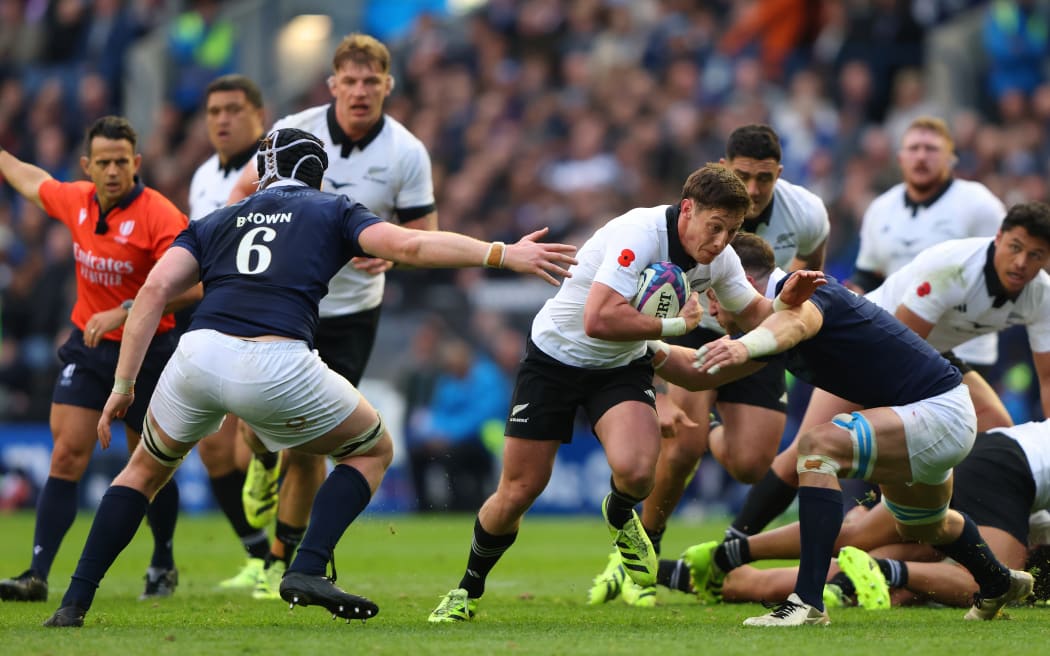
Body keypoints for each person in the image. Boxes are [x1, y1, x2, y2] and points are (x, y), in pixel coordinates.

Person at [41, 127, 578, 628]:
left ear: (264, 171)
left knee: (141, 472)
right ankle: (308, 565)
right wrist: (502, 253)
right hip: (275, 361)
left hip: (197, 357)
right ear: (317, 174)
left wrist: (123, 386)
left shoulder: (217, 220)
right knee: (372, 450)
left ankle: (74, 602)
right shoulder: (332, 208)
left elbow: (154, 292)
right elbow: (412, 246)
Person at [426, 163, 825, 623]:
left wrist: (788, 310)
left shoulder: (721, 257)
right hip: (554, 358)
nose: (721, 241)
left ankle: (618, 514)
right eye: (715, 227)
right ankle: (467, 588)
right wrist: (676, 327)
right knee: (519, 490)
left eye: (732, 231)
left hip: (621, 364)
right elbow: (598, 319)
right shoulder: (640, 233)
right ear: (688, 210)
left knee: (638, 474)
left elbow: (755, 313)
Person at [651, 233, 1032, 625]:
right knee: (923, 523)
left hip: (938, 411)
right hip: (930, 417)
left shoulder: (806, 294)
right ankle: (997, 580)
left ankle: (807, 602)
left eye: (714, 295)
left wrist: (744, 346)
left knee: (817, 446)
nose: (711, 307)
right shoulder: (766, 327)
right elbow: (699, 373)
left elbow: (795, 323)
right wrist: (645, 343)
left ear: (744, 284)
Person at [691, 201, 1050, 563]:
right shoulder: (953, 268)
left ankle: (1003, 533)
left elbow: (1047, 380)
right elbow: (898, 356)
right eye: (1015, 247)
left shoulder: (1042, 294)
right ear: (998, 238)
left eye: (1035, 255)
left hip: (934, 360)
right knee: (805, 451)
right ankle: (733, 544)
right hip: (870, 349)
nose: (1021, 262)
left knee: (998, 427)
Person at [718, 114, 1009, 551]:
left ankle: (985, 538)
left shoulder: (979, 204)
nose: (922, 157)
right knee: (814, 448)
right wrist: (841, 313)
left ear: (952, 157)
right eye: (913, 148)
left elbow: (1002, 262)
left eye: (932, 149)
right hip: (887, 337)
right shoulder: (882, 209)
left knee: (992, 438)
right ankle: (738, 541)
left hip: (948, 354)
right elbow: (864, 279)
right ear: (900, 157)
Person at [228, 32, 440, 600]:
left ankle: (279, 562)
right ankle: (261, 460)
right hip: (283, 301)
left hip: (350, 313)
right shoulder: (293, 130)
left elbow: (425, 235)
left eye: (371, 81)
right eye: (350, 80)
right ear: (332, 85)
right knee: (255, 424)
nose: (360, 91)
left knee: (309, 443)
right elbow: (241, 194)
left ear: (388, 86)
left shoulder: (406, 152)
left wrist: (392, 255)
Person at [590, 124, 830, 607]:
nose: (755, 189)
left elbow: (810, 268)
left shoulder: (806, 213)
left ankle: (711, 424)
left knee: (750, 465)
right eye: (744, 175)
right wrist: (654, 381)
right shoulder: (697, 211)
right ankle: (640, 554)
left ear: (780, 173)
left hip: (754, 330)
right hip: (695, 325)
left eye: (765, 178)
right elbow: (645, 297)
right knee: (683, 444)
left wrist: (789, 319)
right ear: (723, 168)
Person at [0, 116, 196, 603]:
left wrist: (127, 311)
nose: (112, 171)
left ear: (137, 162)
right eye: (103, 162)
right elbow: (31, 178)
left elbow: (195, 286)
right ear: (87, 165)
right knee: (66, 454)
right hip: (89, 349)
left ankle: (162, 561)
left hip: (149, 352)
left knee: (149, 462)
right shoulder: (77, 201)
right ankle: (36, 575)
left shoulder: (161, 216)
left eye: (121, 162)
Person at [689, 419, 1050, 611]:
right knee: (991, 583)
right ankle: (883, 571)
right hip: (1010, 470)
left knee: (856, 536)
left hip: (981, 449)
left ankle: (724, 556)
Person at [186, 73, 272, 591]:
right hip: (214, 322)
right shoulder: (202, 176)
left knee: (251, 451)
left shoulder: (274, 168)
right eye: (214, 111)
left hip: (265, 324)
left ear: (260, 116)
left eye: (234, 110)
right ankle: (259, 556)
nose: (222, 119)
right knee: (215, 452)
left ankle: (287, 554)